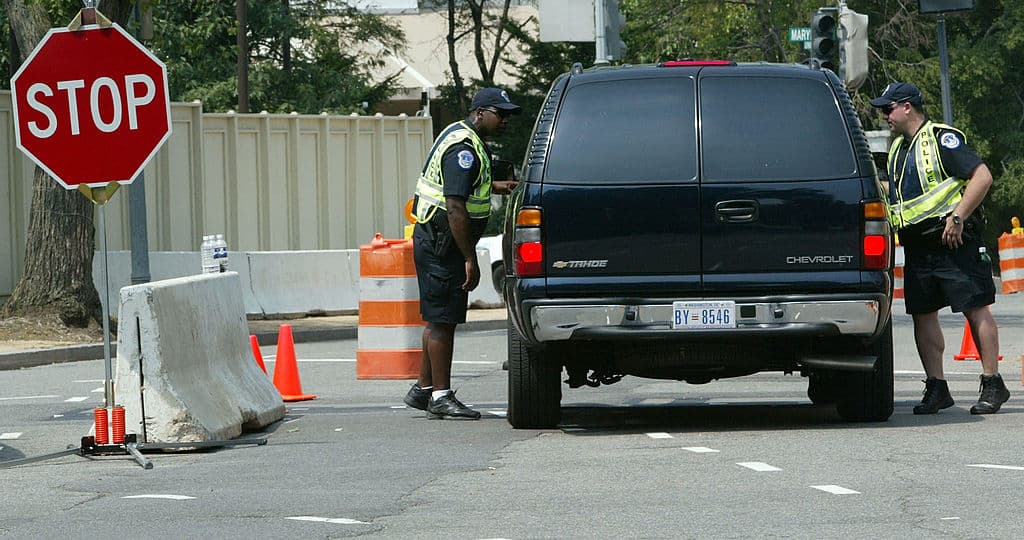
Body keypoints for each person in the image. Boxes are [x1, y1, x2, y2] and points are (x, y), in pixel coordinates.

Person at [871, 82, 1008, 414]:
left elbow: (982, 176)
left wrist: (958, 217)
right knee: (922, 314)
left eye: (889, 109)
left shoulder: (941, 139)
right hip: (919, 244)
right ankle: (937, 387)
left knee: (975, 308)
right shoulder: (898, 148)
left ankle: (992, 383)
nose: (886, 115)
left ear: (907, 107)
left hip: (953, 239)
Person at [402, 88, 521, 419]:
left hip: (435, 238)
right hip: (444, 242)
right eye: (501, 113)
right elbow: (455, 207)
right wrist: (470, 257)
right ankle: (441, 396)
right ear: (481, 112)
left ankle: (424, 389)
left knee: (437, 317)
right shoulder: (464, 148)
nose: (506, 120)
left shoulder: (464, 135)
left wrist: (494, 186)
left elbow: (462, 187)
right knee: (444, 321)